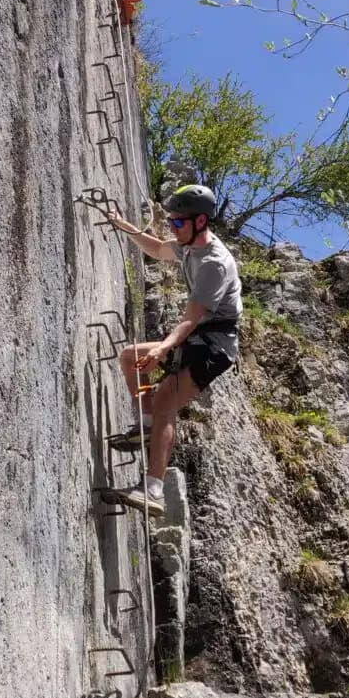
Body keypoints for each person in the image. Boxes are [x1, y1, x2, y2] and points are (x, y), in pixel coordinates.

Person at [106, 185, 242, 518]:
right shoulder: (186, 244)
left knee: (167, 397)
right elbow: (154, 248)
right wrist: (123, 225)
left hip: (216, 346)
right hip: (197, 335)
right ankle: (149, 424)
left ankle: (153, 490)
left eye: (178, 223)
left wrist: (164, 348)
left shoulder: (215, 264)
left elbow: (190, 320)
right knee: (130, 358)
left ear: (200, 222)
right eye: (171, 222)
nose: (173, 228)